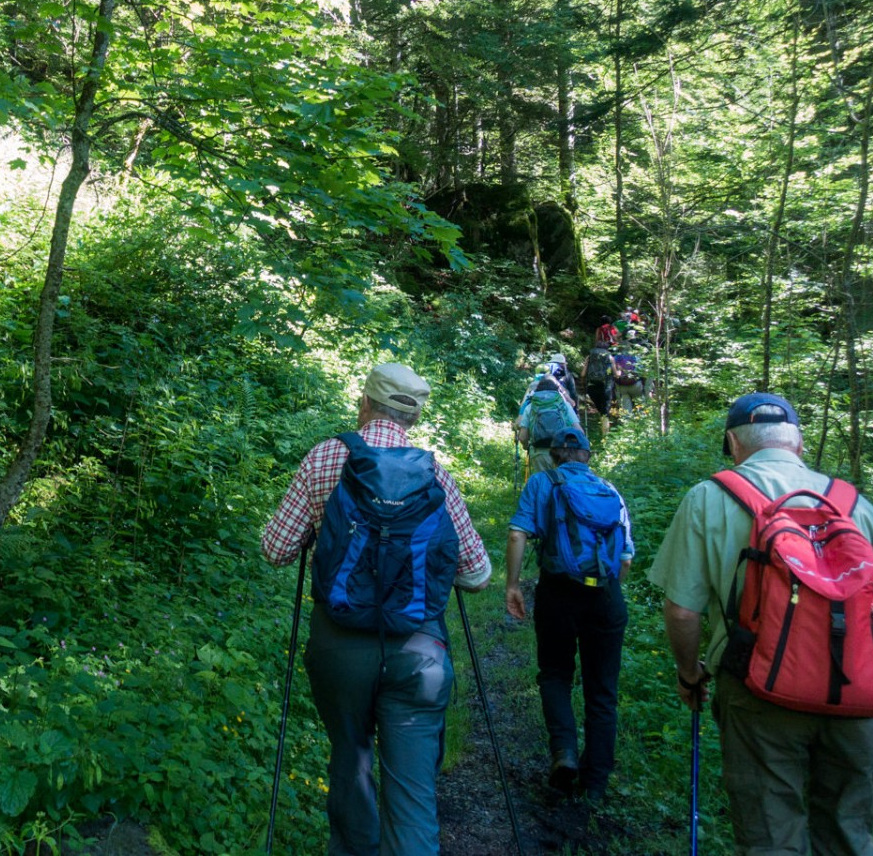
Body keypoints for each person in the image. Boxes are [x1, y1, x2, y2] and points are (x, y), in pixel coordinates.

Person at [649, 392, 873, 856]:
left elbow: (682, 612)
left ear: (732, 443)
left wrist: (689, 673)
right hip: (854, 695)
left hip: (758, 691)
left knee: (771, 838)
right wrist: (864, 661)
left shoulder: (709, 498)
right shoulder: (850, 503)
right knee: (850, 835)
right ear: (798, 441)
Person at [262, 364, 493, 856]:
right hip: (417, 652)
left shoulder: (327, 457)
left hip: (339, 648)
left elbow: (276, 549)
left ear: (364, 403)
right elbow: (476, 575)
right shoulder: (434, 474)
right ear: (412, 417)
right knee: (412, 793)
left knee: (351, 762)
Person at [504, 427, 633, 801]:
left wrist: (513, 585)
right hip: (606, 596)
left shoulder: (542, 483)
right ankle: (595, 784)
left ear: (556, 454)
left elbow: (517, 534)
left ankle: (564, 754)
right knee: (602, 690)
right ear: (588, 456)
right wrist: (607, 590)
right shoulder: (610, 491)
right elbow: (624, 559)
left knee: (556, 673)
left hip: (559, 591)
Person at [516, 375, 580, 477]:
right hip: (563, 451)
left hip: (539, 452)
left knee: (544, 484)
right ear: (556, 390)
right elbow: (579, 432)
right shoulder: (564, 405)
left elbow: (522, 436)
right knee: (563, 484)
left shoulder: (531, 406)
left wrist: (526, 446)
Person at [581, 346, 615, 439]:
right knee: (605, 413)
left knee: (601, 411)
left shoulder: (590, 357)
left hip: (592, 387)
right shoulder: (609, 357)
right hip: (605, 387)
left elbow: (583, 374)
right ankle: (605, 437)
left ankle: (602, 429)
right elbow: (616, 374)